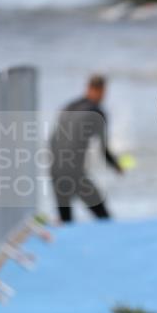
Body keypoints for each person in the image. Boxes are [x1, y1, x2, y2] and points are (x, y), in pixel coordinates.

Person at [49, 74, 123, 222]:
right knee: (104, 217)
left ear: (88, 87)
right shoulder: (98, 112)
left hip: (55, 169)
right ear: (101, 90)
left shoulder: (69, 106)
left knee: (66, 220)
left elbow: (53, 140)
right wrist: (117, 166)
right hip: (74, 172)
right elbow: (103, 150)